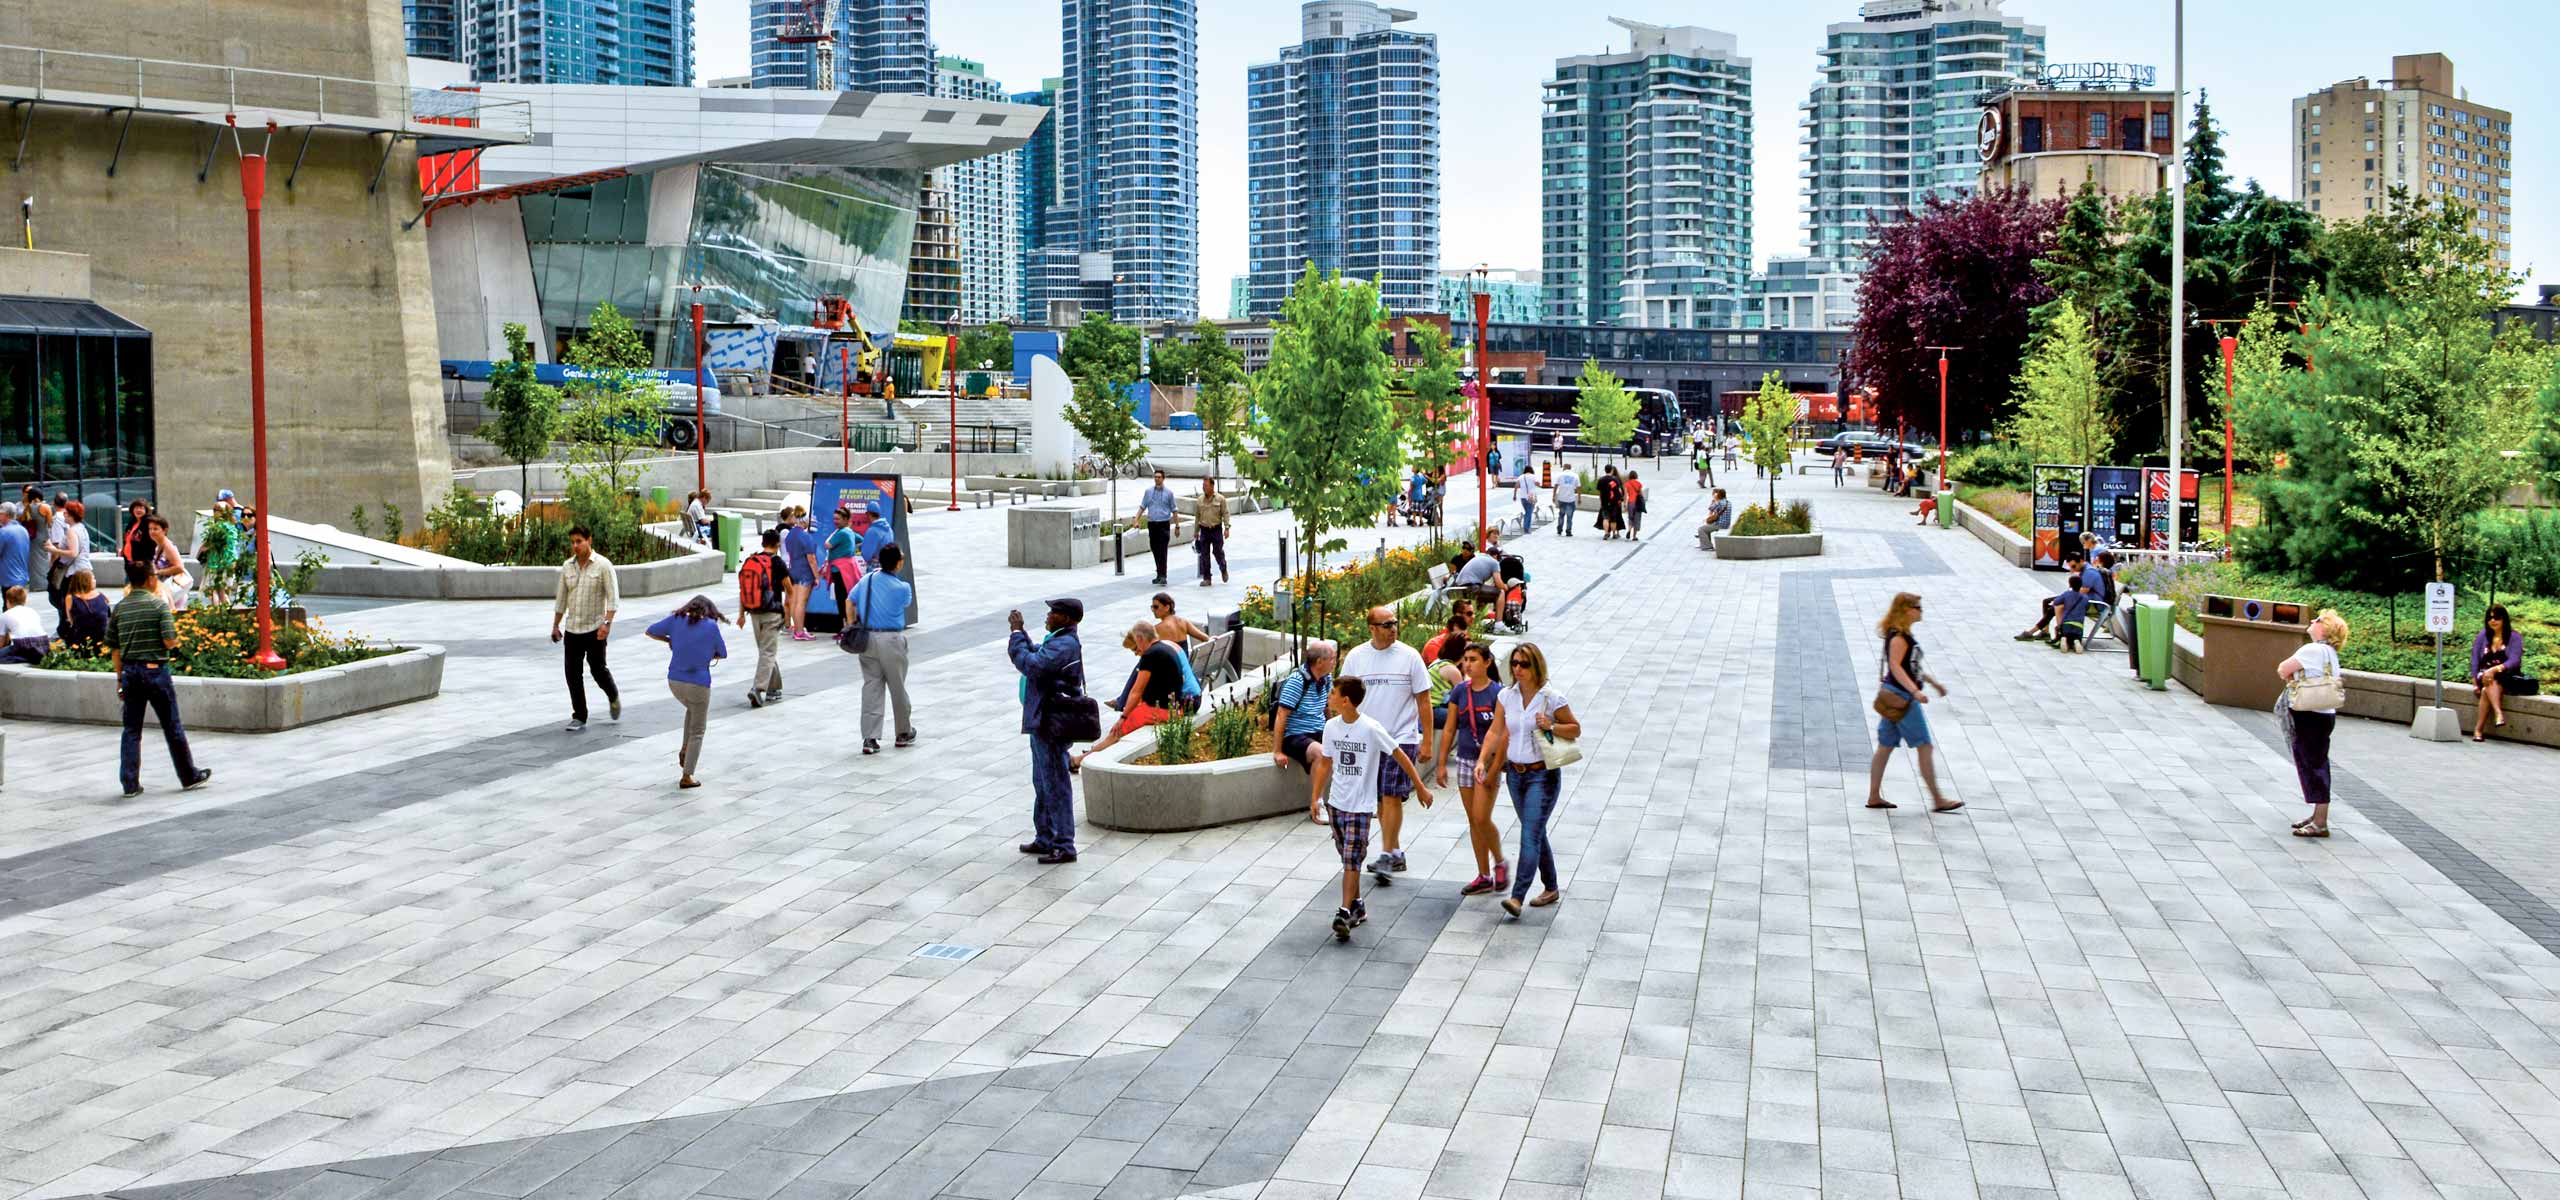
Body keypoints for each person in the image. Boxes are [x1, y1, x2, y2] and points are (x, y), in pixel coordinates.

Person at [1308, 677, 1430, 940]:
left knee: (1352, 860)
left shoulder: (1371, 728)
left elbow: (1399, 755)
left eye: (1332, 693)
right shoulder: (1331, 727)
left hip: (1361, 806)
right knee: (1347, 858)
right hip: (1336, 804)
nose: (1328, 696)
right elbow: (1326, 763)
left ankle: (1343, 912)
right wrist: (1316, 797)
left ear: (1346, 701)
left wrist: (1419, 786)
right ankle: (1358, 906)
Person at [1475, 641, 1578, 918]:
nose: (1518, 669)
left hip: (1542, 776)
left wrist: (1552, 725)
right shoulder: (1506, 697)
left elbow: (1575, 729)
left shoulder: (1551, 697)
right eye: (1514, 664)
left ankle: (1517, 896)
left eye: (1524, 664)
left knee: (1528, 835)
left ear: (1536, 667)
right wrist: (1484, 760)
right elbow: (1496, 732)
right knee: (1536, 832)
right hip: (1516, 776)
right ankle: (1552, 887)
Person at [1341, 605, 1433, 876]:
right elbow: (1344, 697)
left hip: (1400, 738)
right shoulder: (1357, 657)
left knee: (1391, 795)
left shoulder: (1409, 656)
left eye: (1395, 623)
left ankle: (1385, 854)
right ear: (1372, 628)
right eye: (1387, 624)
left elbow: (1424, 700)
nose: (1393, 628)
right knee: (1381, 799)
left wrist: (1426, 741)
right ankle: (1394, 852)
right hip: (1368, 740)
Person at [108, 571, 211, 797]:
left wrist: (119, 678)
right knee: (171, 725)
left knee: (131, 729)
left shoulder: (120, 608)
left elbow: (114, 648)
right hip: (155, 672)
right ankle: (188, 775)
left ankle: (130, 783)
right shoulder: (158, 606)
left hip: (130, 673)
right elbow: (169, 640)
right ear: (150, 580)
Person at [1865, 592, 1960, 813]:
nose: (1921, 611)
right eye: (1917, 607)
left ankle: (1873, 796)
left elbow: (1911, 667)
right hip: (1903, 699)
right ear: (1906, 610)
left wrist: (1933, 683)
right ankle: (1937, 799)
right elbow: (1896, 667)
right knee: (1924, 746)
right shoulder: (1899, 637)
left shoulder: (1901, 634)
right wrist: (1915, 691)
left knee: (1885, 746)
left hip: (1892, 696)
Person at [1009, 598, 1087, 864]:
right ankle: (1046, 837)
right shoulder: (1059, 640)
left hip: (1051, 723)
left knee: (1055, 783)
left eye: (1054, 612)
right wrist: (1024, 636)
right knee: (1043, 782)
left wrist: (1016, 634)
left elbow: (1032, 665)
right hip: (1041, 720)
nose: (1048, 615)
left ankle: (1064, 845)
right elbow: (1036, 654)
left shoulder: (1064, 644)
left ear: (1067, 619)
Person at [1436, 643, 1509, 898]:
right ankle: (1483, 874)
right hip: (1466, 760)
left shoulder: (1498, 694)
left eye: (1474, 659)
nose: (1467, 664)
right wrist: (1441, 762)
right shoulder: (1459, 691)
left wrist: (1496, 763)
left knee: (1481, 817)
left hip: (1487, 763)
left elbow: (1503, 733)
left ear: (1487, 662)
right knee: (1473, 821)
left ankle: (1499, 861)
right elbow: (1449, 729)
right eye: (1465, 659)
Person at [1073, 620, 1185, 770]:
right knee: (1123, 725)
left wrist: (1123, 717)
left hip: (1159, 710)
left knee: (1115, 732)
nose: (1137, 651)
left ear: (1139, 638)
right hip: (1175, 708)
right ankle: (1088, 754)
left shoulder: (1150, 655)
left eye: (1136, 647)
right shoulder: (1166, 648)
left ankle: (1080, 760)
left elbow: (1136, 691)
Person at [645, 595, 727, 789]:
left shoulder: (677, 619)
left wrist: (670, 641)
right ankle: (687, 775)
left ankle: (685, 748)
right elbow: (722, 653)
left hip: (675, 681)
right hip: (698, 683)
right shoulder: (711, 626)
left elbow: (650, 631)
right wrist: (706, 652)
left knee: (691, 709)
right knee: (698, 731)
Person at [2278, 610, 2348, 837]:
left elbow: (2282, 669)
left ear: (2325, 628)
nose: (2312, 621)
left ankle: (2320, 822)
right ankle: (2317, 815)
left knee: (2313, 764)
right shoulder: (2330, 653)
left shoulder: (2312, 650)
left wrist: (2291, 676)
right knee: (2317, 762)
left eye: (2317, 620)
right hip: (2325, 714)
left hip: (2309, 714)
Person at [550, 525, 622, 732]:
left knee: (598, 670)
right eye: (572, 542)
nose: (575, 546)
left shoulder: (603, 566)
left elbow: (613, 598)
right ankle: (579, 716)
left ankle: (613, 695)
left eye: (579, 541)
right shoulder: (567, 567)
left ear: (589, 540)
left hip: (595, 629)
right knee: (572, 674)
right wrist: (555, 625)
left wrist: (607, 624)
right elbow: (561, 599)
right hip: (573, 629)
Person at [848, 542, 918, 754]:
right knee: (897, 687)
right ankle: (903, 732)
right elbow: (905, 604)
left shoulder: (866, 580)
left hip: (867, 638)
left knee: (871, 687)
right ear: (897, 564)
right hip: (892, 640)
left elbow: (849, 601)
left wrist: (851, 624)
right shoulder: (902, 588)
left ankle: (870, 738)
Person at [734, 528, 787, 707]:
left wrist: (741, 614)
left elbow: (744, 590)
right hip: (772, 613)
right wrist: (788, 615)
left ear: (763, 543)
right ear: (778, 544)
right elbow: (790, 589)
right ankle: (758, 689)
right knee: (768, 652)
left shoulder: (751, 561)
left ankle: (775, 688)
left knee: (765, 651)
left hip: (754, 613)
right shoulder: (778, 563)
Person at [1269, 640, 1337, 771]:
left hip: (1319, 732)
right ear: (1319, 662)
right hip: (1295, 735)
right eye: (1332, 659)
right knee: (1322, 754)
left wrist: (1333, 731)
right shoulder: (1297, 681)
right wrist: (1277, 751)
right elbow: (1281, 714)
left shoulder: (1326, 678)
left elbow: (1326, 707)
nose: (1334, 662)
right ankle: (1317, 793)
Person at [2471, 604, 2524, 744]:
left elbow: (2514, 660)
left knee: (2485, 690)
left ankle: (2478, 730)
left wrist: (2495, 669)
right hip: (2484, 674)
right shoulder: (2482, 635)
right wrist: (2474, 682)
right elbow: (2475, 659)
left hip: (2506, 675)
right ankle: (2498, 713)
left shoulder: (2515, 637)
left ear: (2504, 619)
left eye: (2497, 618)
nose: (2493, 621)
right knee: (2487, 678)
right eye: (2490, 618)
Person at [2013, 551, 2089, 643]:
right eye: (2070, 567)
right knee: (2047, 601)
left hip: (2086, 602)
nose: (2072, 570)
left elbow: (2081, 592)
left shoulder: (2089, 573)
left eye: (2073, 566)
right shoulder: (2082, 571)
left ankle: (2034, 632)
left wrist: (2063, 598)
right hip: (2079, 597)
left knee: (2054, 607)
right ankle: (2045, 631)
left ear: (2081, 561)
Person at [47, 500, 89, 636]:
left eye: (66, 512)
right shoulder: (81, 528)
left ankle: (68, 629)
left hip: (73, 572)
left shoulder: (72, 531)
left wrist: (54, 550)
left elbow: (73, 552)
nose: (64, 514)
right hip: (83, 569)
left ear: (71, 514)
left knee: (67, 601)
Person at [780, 508, 820, 640]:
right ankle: (799, 631)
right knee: (801, 603)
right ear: (805, 519)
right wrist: (817, 576)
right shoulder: (805, 536)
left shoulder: (791, 534)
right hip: (804, 572)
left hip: (794, 570)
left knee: (794, 601)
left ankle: (796, 629)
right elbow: (811, 559)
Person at [1140, 469, 1179, 586]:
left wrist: (1177, 526)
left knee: (1163, 550)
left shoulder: (1169, 493)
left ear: (1163, 479)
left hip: (1163, 524)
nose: (1157, 479)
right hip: (1152, 524)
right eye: (1155, 477)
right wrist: (1136, 518)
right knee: (1155, 549)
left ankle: (1163, 575)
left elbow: (1174, 510)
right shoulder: (1148, 492)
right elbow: (1142, 506)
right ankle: (1159, 573)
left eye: (1159, 477)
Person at [145, 515, 190, 613]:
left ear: (164, 530)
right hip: (168, 589)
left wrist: (158, 572)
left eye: (155, 529)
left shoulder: (168, 546)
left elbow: (179, 567)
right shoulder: (159, 545)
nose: (152, 532)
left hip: (170, 588)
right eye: (150, 529)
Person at [823, 506, 862, 620]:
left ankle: (845, 626)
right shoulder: (849, 531)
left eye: (838, 519)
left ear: (845, 520)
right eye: (834, 519)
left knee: (841, 598)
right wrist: (851, 549)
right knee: (847, 596)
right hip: (848, 569)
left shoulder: (841, 532)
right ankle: (850, 624)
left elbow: (827, 545)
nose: (835, 521)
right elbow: (861, 540)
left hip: (839, 570)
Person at [60, 570, 110, 651]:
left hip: (82, 638)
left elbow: (70, 620)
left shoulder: (70, 598)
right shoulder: (102, 596)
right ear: (86, 582)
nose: (95, 581)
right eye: (93, 578)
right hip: (100, 638)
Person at [1194, 476, 1229, 586]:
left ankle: (1223, 568)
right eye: (1203, 486)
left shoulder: (1220, 499)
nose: (1204, 488)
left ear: (1212, 486)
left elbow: (1225, 513)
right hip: (1204, 530)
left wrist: (1227, 528)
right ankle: (1207, 578)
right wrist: (1196, 531)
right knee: (1204, 555)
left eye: (1206, 485)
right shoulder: (1200, 500)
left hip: (1216, 529)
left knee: (1217, 551)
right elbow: (1197, 516)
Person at [0, 585, 46, 663]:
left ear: (7, 601)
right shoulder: (32, 611)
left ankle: (20, 658)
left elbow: (1, 641)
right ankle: (28, 657)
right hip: (43, 643)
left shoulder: (5, 615)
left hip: (22, 645)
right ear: (24, 601)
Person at [856, 500, 896, 571]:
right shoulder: (889, 529)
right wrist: (863, 544)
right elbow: (882, 544)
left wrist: (861, 547)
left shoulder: (872, 531)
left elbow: (866, 555)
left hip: (875, 568)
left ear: (868, 514)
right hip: (888, 566)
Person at [0, 502, 28, 595]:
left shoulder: (4, 532)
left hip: (9, 578)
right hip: (22, 577)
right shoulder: (23, 530)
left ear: (4, 515)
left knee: (9, 607)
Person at [1552, 461, 1580, 537]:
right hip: (1571, 499)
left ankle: (1559, 529)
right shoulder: (1575, 476)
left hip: (1562, 498)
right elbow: (1578, 488)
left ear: (1564, 467)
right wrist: (1579, 498)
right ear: (1570, 468)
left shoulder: (1560, 475)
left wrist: (1554, 496)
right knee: (1570, 516)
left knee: (1561, 515)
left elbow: (1556, 486)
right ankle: (1568, 531)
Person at [1595, 467, 1624, 540]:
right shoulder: (1615, 479)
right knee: (1613, 518)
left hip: (1605, 502)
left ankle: (1606, 533)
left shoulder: (1601, 479)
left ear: (1605, 470)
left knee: (1606, 518)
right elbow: (1619, 490)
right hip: (1614, 502)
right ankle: (1614, 534)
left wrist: (1601, 500)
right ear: (1611, 470)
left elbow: (1599, 491)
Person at [1514, 467, 1539, 534]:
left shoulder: (1521, 477)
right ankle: (1526, 528)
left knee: (1527, 512)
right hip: (1531, 497)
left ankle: (1527, 527)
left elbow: (1516, 486)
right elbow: (1538, 483)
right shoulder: (1533, 476)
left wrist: (1514, 495)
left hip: (1523, 497)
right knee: (1529, 513)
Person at [1625, 469, 1646, 535]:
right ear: (1636, 476)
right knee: (1636, 519)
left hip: (1630, 503)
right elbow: (1641, 495)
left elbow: (1625, 495)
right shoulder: (1639, 484)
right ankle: (1634, 536)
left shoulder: (1626, 484)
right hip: (1637, 503)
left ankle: (1629, 530)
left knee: (1630, 518)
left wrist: (1625, 504)